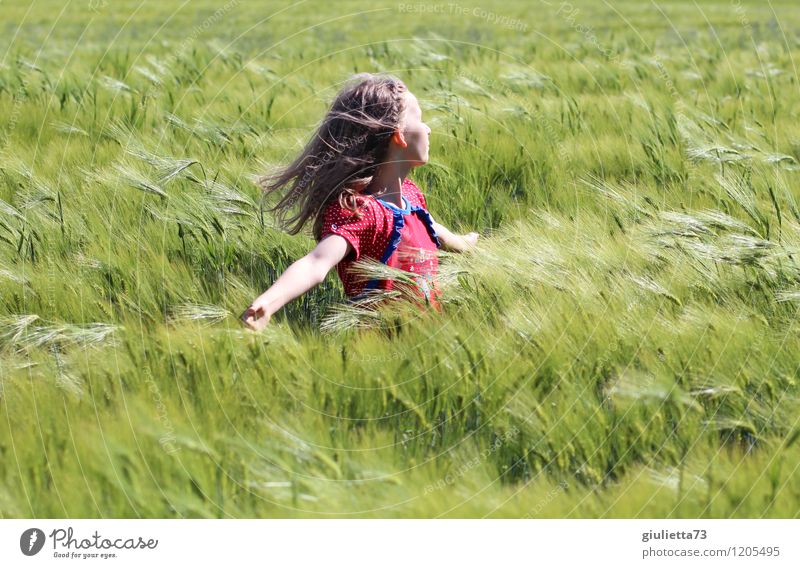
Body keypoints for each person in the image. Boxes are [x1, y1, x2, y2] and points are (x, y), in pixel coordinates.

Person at [241, 73, 479, 331]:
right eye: (420, 119)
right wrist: (269, 303)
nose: (428, 128)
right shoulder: (360, 212)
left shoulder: (411, 194)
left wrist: (463, 243)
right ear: (398, 136)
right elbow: (316, 263)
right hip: (380, 345)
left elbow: (430, 226)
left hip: (427, 336)